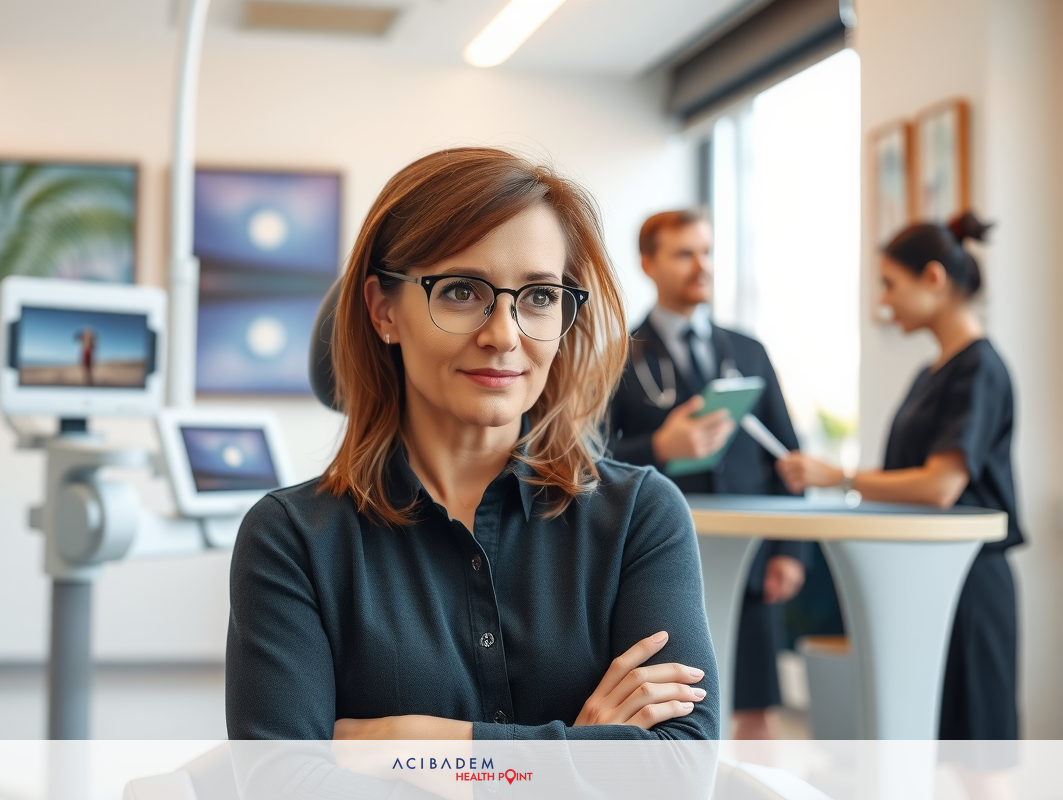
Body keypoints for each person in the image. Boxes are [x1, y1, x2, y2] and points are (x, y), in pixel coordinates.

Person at [226, 148, 719, 741]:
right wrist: (588, 750)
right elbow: (283, 785)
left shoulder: (641, 515)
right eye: (461, 291)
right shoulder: (292, 539)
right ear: (384, 310)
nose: (503, 335)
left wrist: (409, 745)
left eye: (539, 296)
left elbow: (680, 765)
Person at [777, 212, 1021, 741]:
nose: (884, 302)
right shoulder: (931, 373)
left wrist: (839, 476)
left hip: (969, 583)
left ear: (933, 278)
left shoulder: (980, 368)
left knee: (978, 757)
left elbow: (940, 487)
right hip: (928, 578)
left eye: (891, 285)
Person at [607, 210, 809, 740]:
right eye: (684, 254)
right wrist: (660, 447)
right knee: (680, 707)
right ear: (648, 264)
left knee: (756, 706)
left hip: (749, 558)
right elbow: (588, 459)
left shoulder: (747, 351)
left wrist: (790, 549)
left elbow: (789, 457)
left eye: (708, 252)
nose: (702, 266)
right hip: (660, 562)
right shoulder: (615, 358)